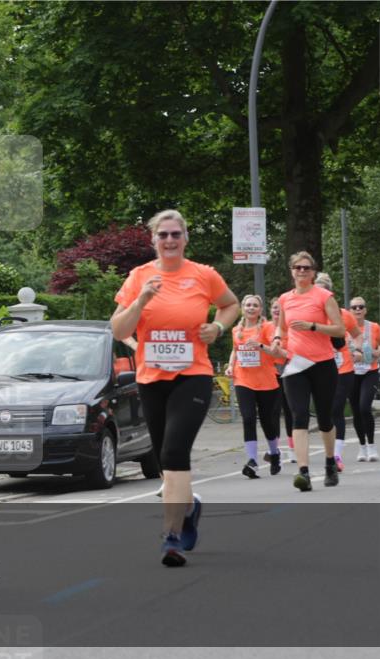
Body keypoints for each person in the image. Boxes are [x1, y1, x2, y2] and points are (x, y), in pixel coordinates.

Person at [111, 209, 239, 567]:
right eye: (163, 235)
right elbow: (119, 331)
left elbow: (230, 305)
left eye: (175, 235)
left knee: (173, 452)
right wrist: (140, 302)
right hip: (152, 379)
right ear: (153, 241)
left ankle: (171, 537)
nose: (169, 240)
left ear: (185, 239)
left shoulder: (203, 275)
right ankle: (189, 507)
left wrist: (218, 328)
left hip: (192, 375)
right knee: (166, 459)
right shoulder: (139, 277)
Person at [270, 252, 346, 492]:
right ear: (291, 271)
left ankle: (329, 463)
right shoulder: (285, 299)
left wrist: (313, 326)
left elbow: (339, 330)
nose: (301, 271)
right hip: (295, 365)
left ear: (313, 272)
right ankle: (303, 472)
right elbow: (281, 328)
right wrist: (276, 339)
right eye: (297, 267)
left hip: (322, 364)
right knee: (298, 415)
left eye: (306, 268)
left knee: (324, 418)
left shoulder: (324, 296)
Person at [225, 295, 286, 478]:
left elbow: (275, 351)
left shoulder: (268, 327)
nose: (251, 308)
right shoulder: (237, 329)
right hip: (243, 379)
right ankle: (252, 461)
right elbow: (235, 350)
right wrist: (230, 366)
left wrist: (260, 346)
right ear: (243, 308)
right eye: (247, 305)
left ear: (260, 310)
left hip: (266, 381)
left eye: (255, 305)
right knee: (248, 418)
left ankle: (274, 453)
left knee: (268, 422)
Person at [314, 273, 361, 471]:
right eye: (318, 288)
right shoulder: (309, 316)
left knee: (336, 409)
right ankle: (330, 452)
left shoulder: (344, 315)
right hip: (319, 368)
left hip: (343, 368)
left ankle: (337, 455)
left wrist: (358, 349)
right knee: (324, 413)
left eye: (325, 289)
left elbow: (358, 336)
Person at [348, 296, 380, 462]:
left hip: (370, 371)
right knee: (356, 411)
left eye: (360, 307)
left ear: (365, 310)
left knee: (364, 408)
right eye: (354, 307)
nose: (357, 310)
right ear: (350, 310)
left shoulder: (374, 327)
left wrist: (379, 351)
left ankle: (372, 446)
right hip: (351, 372)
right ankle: (362, 447)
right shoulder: (345, 328)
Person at [269, 297, 296, 463]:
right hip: (271, 373)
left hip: (289, 371)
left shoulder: (289, 329)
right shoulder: (265, 327)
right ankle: (275, 449)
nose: (277, 311)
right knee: (273, 412)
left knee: (289, 411)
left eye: (280, 308)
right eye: (274, 308)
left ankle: (293, 448)